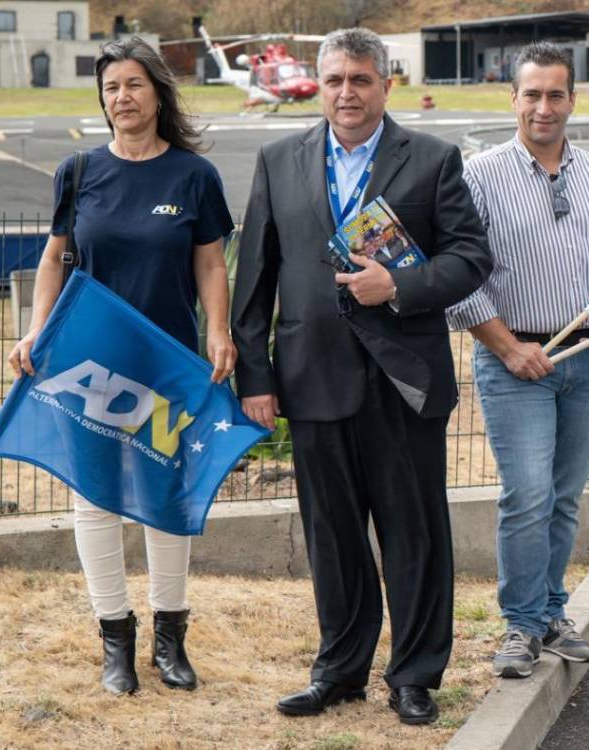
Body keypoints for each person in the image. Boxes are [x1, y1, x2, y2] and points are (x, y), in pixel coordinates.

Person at [232, 28, 492, 725]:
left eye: (360, 80)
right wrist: (255, 376)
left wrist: (399, 284)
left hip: (403, 379)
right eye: (334, 80)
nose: (346, 93)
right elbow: (254, 277)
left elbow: (471, 257)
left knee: (413, 533)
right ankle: (340, 671)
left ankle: (414, 675)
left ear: (385, 85)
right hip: (312, 375)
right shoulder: (278, 160)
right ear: (320, 86)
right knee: (333, 535)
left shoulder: (432, 160)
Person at [6, 38, 235, 696]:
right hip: (89, 365)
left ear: (158, 93)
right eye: (111, 88)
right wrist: (37, 330)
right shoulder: (79, 171)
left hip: (166, 364)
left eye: (134, 84)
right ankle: (115, 637)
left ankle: (170, 638)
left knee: (165, 496)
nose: (122, 97)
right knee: (96, 496)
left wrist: (219, 331)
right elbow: (55, 258)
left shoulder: (193, 176)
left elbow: (210, 262)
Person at [447, 42, 589, 679]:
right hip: (513, 360)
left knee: (562, 496)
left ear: (572, 100)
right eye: (532, 94)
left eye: (556, 94)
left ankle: (552, 613)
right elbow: (458, 274)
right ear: (513, 99)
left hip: (585, 360)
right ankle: (520, 625)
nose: (543, 106)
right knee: (526, 494)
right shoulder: (479, 176)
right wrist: (508, 346)